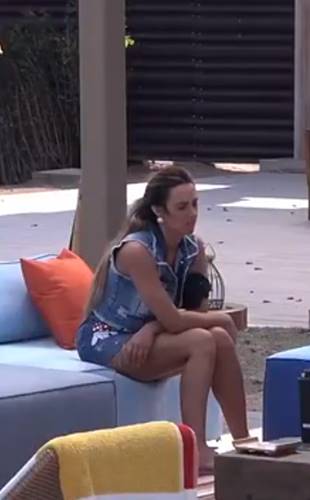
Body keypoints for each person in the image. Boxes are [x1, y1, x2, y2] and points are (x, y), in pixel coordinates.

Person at [76, 166, 249, 473]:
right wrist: (169, 324)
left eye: (195, 204)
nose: (192, 214)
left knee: (220, 337)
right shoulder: (137, 251)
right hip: (108, 335)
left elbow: (195, 313)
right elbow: (180, 322)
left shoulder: (193, 249)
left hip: (149, 334)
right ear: (159, 211)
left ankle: (245, 441)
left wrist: (151, 329)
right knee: (204, 339)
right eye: (181, 207)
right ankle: (195, 449)